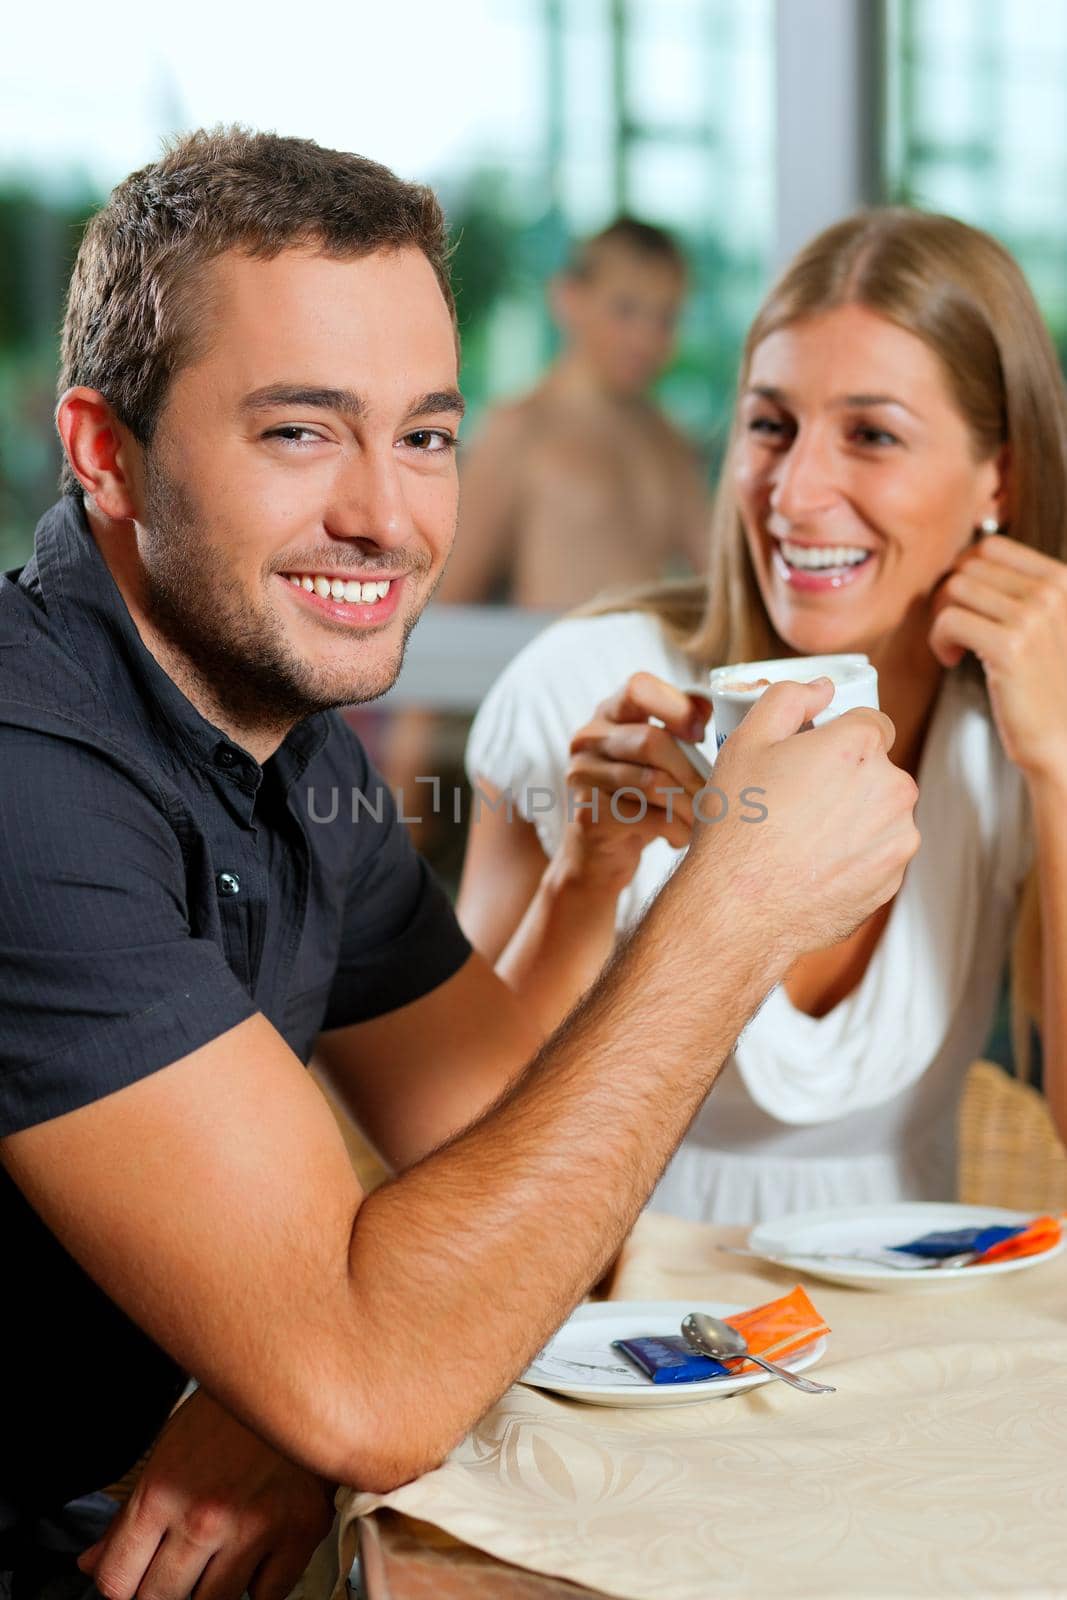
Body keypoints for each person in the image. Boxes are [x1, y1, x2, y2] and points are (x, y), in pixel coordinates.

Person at [0, 130, 918, 1600]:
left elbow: (529, 1188)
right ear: (108, 452)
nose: (387, 516)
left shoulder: (290, 749)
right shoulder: (28, 777)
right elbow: (380, 1379)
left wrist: (280, 1391)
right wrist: (732, 907)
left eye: (423, 434)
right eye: (298, 432)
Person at [459, 207, 1067, 1225]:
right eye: (768, 426)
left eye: (870, 434)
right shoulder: (583, 688)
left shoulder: (1011, 725)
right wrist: (584, 882)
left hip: (902, 1345)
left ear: (995, 476)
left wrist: (1054, 759)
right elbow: (452, 1146)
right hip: (612, 1340)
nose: (794, 491)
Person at [437, 216, 710, 611]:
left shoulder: (667, 439)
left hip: (649, 669)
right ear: (568, 298)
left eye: (665, 317)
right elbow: (451, 604)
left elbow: (720, 576)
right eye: (626, 309)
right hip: (550, 669)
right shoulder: (518, 430)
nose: (647, 338)